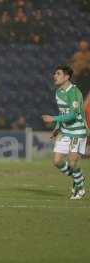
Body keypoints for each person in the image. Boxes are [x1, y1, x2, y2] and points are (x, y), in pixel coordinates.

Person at [42, 65, 87, 200]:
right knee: (57, 162)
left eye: (58, 74)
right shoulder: (58, 92)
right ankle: (78, 177)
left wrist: (53, 118)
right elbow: (63, 113)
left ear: (67, 77)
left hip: (77, 131)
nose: (54, 76)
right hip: (65, 131)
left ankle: (80, 188)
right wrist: (57, 128)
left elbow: (73, 115)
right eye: (55, 73)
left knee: (72, 163)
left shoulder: (74, 92)